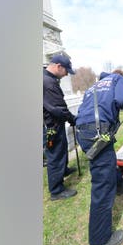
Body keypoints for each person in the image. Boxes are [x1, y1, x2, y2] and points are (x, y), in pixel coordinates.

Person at [75, 69, 123, 245]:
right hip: (97, 132)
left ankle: (120, 183)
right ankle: (99, 239)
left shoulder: (94, 86)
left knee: (108, 160)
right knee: (102, 183)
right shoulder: (118, 79)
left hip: (84, 132)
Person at [43, 52, 78, 201]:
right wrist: (72, 119)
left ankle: (63, 170)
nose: (65, 75)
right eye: (65, 71)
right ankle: (56, 191)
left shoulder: (47, 78)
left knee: (61, 148)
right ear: (58, 66)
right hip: (51, 126)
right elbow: (59, 108)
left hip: (55, 123)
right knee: (55, 155)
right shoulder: (48, 83)